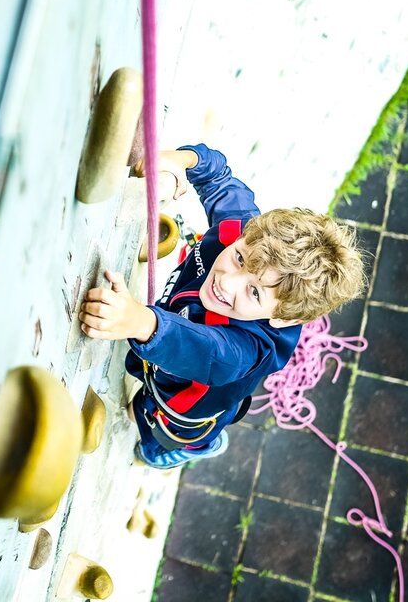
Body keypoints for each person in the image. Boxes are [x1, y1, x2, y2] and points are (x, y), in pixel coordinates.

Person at [79, 143, 366, 470]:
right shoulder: (244, 233)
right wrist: (179, 163)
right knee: (141, 375)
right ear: (248, 234)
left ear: (281, 318)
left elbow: (202, 349)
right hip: (170, 329)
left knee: (152, 427)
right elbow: (217, 174)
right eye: (239, 257)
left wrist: (140, 322)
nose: (227, 282)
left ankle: (192, 448)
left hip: (190, 404)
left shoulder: (242, 351)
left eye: (255, 293)